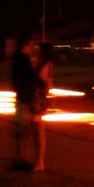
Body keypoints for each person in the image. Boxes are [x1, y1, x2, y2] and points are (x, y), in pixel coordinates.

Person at [9, 29, 41, 171]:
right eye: (32, 44)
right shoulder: (23, 59)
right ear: (27, 44)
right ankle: (19, 159)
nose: (33, 47)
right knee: (22, 129)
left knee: (20, 128)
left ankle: (18, 158)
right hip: (25, 96)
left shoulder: (16, 57)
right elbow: (30, 76)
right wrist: (42, 84)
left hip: (20, 95)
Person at [32, 42, 55, 172]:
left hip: (39, 100)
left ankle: (40, 161)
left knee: (39, 130)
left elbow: (43, 82)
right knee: (37, 129)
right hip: (39, 99)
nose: (37, 52)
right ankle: (38, 160)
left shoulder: (45, 65)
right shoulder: (45, 64)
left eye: (40, 50)